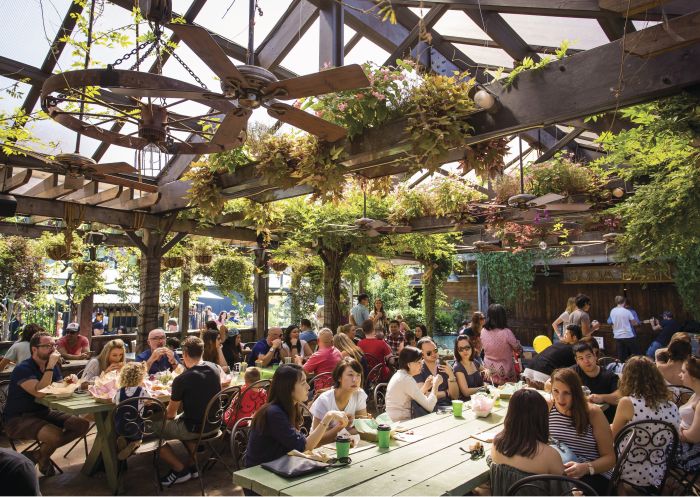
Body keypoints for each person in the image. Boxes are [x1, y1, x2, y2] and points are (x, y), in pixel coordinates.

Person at [3, 332, 90, 476]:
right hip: (18, 418)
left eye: (54, 345)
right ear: (34, 349)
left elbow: (56, 388)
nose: (53, 349)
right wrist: (50, 366)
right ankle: (43, 459)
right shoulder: (23, 369)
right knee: (55, 436)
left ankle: (38, 455)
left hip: (43, 412)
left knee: (81, 424)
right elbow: (40, 392)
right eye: (47, 346)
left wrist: (69, 380)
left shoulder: (53, 367)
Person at [245, 364, 348, 467]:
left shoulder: (290, 407)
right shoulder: (274, 413)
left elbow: (298, 445)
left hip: (279, 465)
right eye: (303, 383)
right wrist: (328, 416)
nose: (308, 387)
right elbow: (305, 446)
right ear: (288, 387)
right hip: (260, 472)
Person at [157, 336, 222, 487]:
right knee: (186, 417)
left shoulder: (182, 380)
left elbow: (171, 414)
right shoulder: (214, 368)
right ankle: (194, 466)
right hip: (214, 423)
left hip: (194, 428)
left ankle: (179, 469)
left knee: (148, 428)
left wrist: (156, 417)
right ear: (202, 351)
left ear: (184, 354)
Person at [611, 356, 680, 491]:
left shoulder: (628, 403)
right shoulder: (672, 407)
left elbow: (614, 438)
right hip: (658, 473)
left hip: (626, 470)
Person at [548, 368, 615, 495]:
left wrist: (585, 468)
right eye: (555, 391)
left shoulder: (592, 413)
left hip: (593, 473)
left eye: (566, 393)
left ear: (576, 393)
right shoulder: (548, 407)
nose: (560, 398)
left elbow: (610, 459)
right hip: (559, 472)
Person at [490, 389, 566, 495]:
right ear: (542, 418)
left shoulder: (496, 444)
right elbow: (564, 491)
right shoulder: (550, 455)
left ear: (511, 414)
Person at [310, 357, 368, 444]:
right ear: (339, 378)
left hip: (347, 445)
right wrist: (342, 428)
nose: (355, 380)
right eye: (350, 375)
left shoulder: (359, 394)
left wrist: (333, 431)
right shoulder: (324, 400)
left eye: (358, 375)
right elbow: (317, 440)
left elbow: (363, 427)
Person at [385, 346, 442, 421]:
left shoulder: (400, 375)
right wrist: (435, 385)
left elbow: (413, 397)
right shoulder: (406, 379)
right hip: (401, 422)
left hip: (394, 417)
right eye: (418, 362)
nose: (421, 365)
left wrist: (425, 387)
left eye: (421, 362)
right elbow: (429, 406)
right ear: (409, 365)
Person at [570, 341, 620, 422]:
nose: (586, 361)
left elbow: (619, 396)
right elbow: (550, 384)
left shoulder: (609, 376)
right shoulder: (572, 372)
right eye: (581, 358)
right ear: (577, 361)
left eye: (588, 356)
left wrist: (602, 398)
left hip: (604, 421)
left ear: (595, 356)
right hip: (580, 420)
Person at [113, 361, 150, 460]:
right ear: (141, 377)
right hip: (136, 427)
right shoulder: (142, 391)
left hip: (120, 427)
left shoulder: (119, 392)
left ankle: (124, 440)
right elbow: (149, 401)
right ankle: (135, 443)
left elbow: (114, 401)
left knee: (125, 427)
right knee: (141, 431)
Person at [480, 304, 522, 385]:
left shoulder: (483, 331)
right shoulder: (506, 332)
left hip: (488, 372)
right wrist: (519, 345)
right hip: (506, 375)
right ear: (503, 317)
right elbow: (518, 349)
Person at [414, 337, 458, 408]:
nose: (433, 354)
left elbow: (455, 396)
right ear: (422, 355)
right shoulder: (418, 369)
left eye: (435, 350)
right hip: (430, 410)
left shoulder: (444, 365)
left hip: (449, 407)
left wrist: (451, 375)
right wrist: (446, 393)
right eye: (429, 353)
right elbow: (423, 396)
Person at [676, 356, 700, 474]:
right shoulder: (695, 394)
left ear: (694, 376)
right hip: (684, 443)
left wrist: (677, 429)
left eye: (683, 372)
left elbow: (694, 437)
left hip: (693, 451)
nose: (680, 375)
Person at [452, 335, 485, 400]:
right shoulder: (458, 367)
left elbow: (485, 370)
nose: (464, 351)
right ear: (457, 351)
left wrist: (487, 371)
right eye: (461, 349)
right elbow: (466, 392)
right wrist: (483, 388)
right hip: (467, 403)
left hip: (481, 399)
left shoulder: (474, 361)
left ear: (471, 347)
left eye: (467, 348)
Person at [608, 296, 639, 362]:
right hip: (628, 335)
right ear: (624, 302)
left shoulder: (612, 311)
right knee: (635, 354)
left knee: (621, 355)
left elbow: (611, 322)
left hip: (617, 336)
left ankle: (622, 368)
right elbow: (634, 323)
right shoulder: (627, 311)